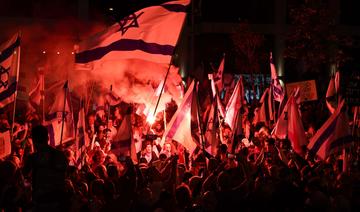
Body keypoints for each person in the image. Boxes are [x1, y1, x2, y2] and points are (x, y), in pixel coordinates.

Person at [22, 125, 68, 211]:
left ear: (34, 140)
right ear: (48, 138)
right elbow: (65, 174)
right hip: (59, 202)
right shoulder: (60, 155)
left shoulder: (33, 158)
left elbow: (22, 176)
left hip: (42, 203)